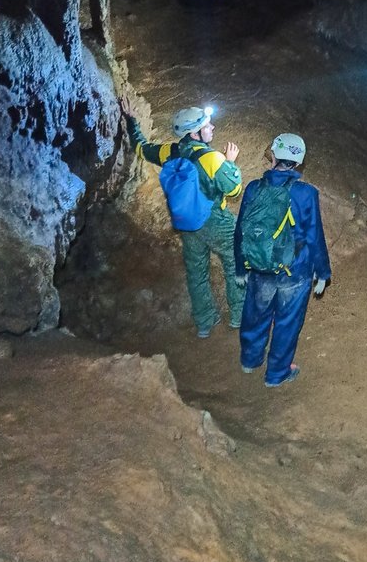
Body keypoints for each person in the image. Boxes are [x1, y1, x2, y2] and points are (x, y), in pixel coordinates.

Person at [120, 97, 244, 337]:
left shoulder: (170, 151)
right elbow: (234, 189)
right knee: (236, 262)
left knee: (197, 273)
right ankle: (239, 316)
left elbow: (141, 148)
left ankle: (205, 323)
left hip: (187, 225)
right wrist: (230, 163)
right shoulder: (213, 159)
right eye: (207, 126)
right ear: (196, 134)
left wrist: (131, 119)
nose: (212, 128)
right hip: (215, 220)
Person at [234, 132, 331, 387]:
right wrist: (322, 272)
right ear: (298, 162)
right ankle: (277, 374)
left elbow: (241, 230)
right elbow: (314, 235)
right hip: (294, 271)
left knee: (255, 314)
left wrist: (240, 267)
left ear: (274, 155)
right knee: (287, 321)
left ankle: (250, 360)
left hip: (259, 267)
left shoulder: (254, 188)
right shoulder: (306, 193)